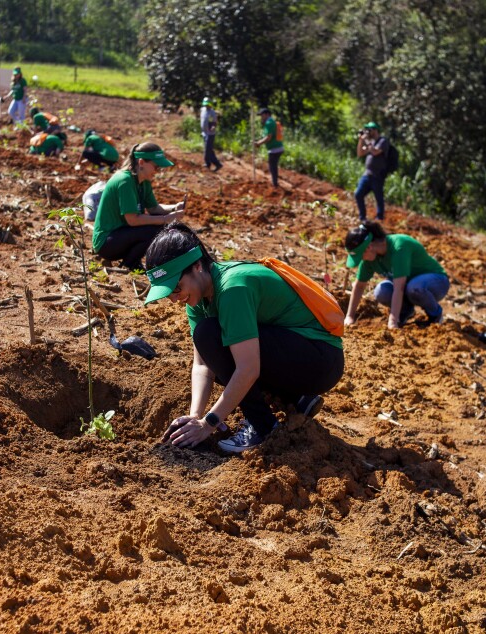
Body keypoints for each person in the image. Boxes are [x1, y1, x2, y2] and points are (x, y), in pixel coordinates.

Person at [144, 222, 345, 453]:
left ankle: (262, 426)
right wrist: (194, 417)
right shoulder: (197, 297)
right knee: (216, 349)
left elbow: (248, 368)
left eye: (176, 287)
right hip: (295, 353)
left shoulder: (232, 288)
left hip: (320, 360)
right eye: (168, 293)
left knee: (213, 339)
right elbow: (202, 365)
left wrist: (209, 424)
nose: (174, 298)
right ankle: (296, 398)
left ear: (197, 266)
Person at [92, 141, 184, 271]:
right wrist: (166, 219)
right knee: (154, 230)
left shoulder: (143, 182)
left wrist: (174, 208)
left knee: (158, 223)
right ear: (141, 162)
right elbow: (133, 219)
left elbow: (154, 209)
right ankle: (130, 265)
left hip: (122, 235)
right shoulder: (125, 181)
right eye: (156, 167)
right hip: (106, 242)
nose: (157, 172)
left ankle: (134, 262)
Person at [344, 221, 449, 328]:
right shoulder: (369, 259)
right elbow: (359, 286)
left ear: (369, 247)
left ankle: (436, 315)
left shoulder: (399, 247)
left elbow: (399, 288)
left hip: (437, 282)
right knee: (381, 291)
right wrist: (349, 316)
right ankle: (406, 312)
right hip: (407, 285)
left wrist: (393, 322)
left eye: (361, 256)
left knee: (414, 287)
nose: (361, 260)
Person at [355, 122, 390, 223]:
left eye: (369, 130)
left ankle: (380, 218)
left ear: (375, 130)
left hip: (378, 175)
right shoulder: (370, 142)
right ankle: (362, 217)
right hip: (367, 174)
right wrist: (361, 140)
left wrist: (366, 141)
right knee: (358, 194)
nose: (368, 132)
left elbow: (375, 152)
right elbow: (360, 153)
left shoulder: (382, 141)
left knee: (378, 197)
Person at [253, 107, 284, 188]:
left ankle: (275, 184)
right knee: (273, 166)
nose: (261, 117)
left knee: (272, 167)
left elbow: (268, 137)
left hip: (275, 149)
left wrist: (258, 143)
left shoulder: (269, 123)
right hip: (278, 148)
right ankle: (275, 183)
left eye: (262, 115)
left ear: (267, 114)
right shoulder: (271, 121)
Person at [200, 97, 222, 172]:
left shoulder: (212, 112)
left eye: (208, 104)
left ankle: (207, 163)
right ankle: (217, 164)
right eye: (205, 104)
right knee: (210, 150)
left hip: (210, 133)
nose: (207, 106)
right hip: (204, 132)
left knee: (207, 149)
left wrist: (213, 127)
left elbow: (215, 122)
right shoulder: (202, 110)